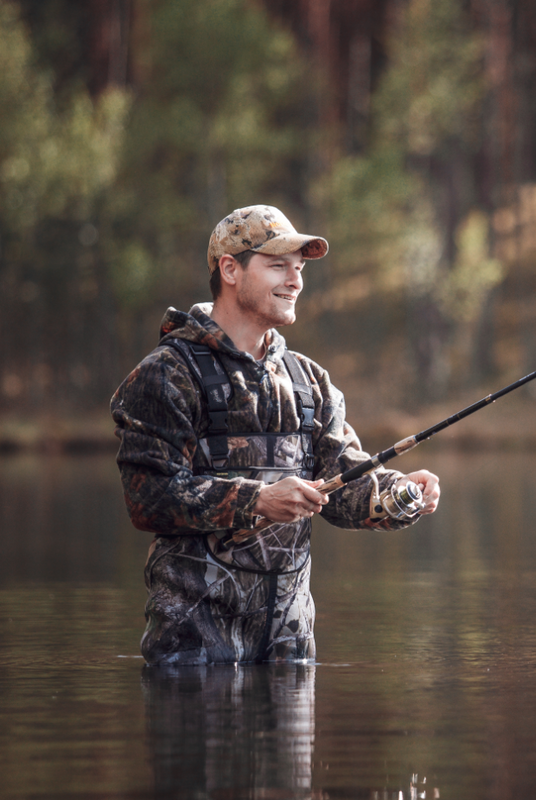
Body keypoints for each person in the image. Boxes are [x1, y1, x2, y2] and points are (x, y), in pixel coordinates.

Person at [111, 205, 440, 666]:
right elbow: (149, 498)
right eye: (278, 265)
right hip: (191, 656)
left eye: (300, 268)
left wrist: (401, 494)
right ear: (230, 269)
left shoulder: (310, 381)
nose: (296, 280)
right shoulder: (167, 375)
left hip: (290, 655)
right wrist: (257, 501)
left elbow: (347, 487)